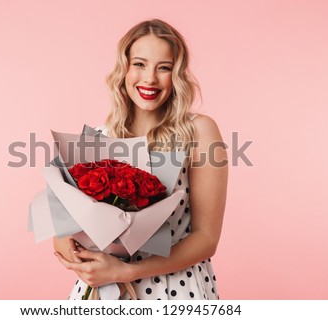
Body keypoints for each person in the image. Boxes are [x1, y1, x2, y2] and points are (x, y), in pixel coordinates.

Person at [53, 18, 228, 300]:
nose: (149, 78)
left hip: (175, 289)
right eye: (140, 64)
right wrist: (81, 259)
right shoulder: (97, 137)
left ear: (177, 74)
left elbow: (206, 239)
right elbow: (63, 232)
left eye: (164, 68)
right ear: (124, 69)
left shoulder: (199, 130)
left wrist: (125, 272)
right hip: (104, 293)